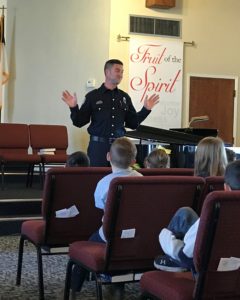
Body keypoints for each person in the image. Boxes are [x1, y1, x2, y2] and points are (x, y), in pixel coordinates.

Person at [71, 137, 142, 296]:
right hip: (136, 234)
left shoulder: (104, 183)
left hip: (108, 234)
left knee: (85, 248)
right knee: (120, 247)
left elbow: (101, 208)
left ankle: (73, 288)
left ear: (108, 156)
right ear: (134, 160)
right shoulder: (141, 179)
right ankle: (116, 282)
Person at [62, 59, 159, 167]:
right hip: (98, 147)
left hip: (120, 148)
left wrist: (145, 109)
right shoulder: (93, 96)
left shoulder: (124, 97)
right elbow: (79, 122)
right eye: (117, 71)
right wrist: (73, 107)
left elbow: (133, 123)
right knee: (97, 178)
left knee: (118, 179)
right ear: (107, 72)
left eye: (122, 72)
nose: (121, 74)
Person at [154, 136, 228, 273]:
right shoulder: (229, 182)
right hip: (220, 235)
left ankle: (173, 259)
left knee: (184, 213)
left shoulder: (197, 183)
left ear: (199, 157)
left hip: (201, 233)